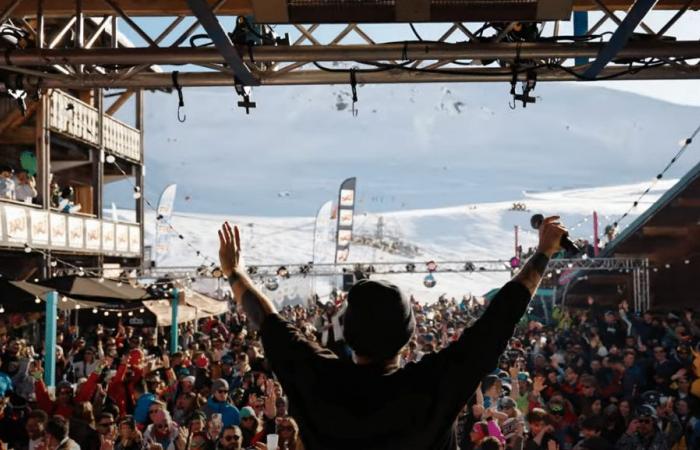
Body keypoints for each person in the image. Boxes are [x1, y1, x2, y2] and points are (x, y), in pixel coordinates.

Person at [216, 215, 567, 450]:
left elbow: (268, 320)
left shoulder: (317, 378)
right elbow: (497, 323)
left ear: (348, 334)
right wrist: (542, 254)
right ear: (408, 337)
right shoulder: (433, 385)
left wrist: (234, 272)